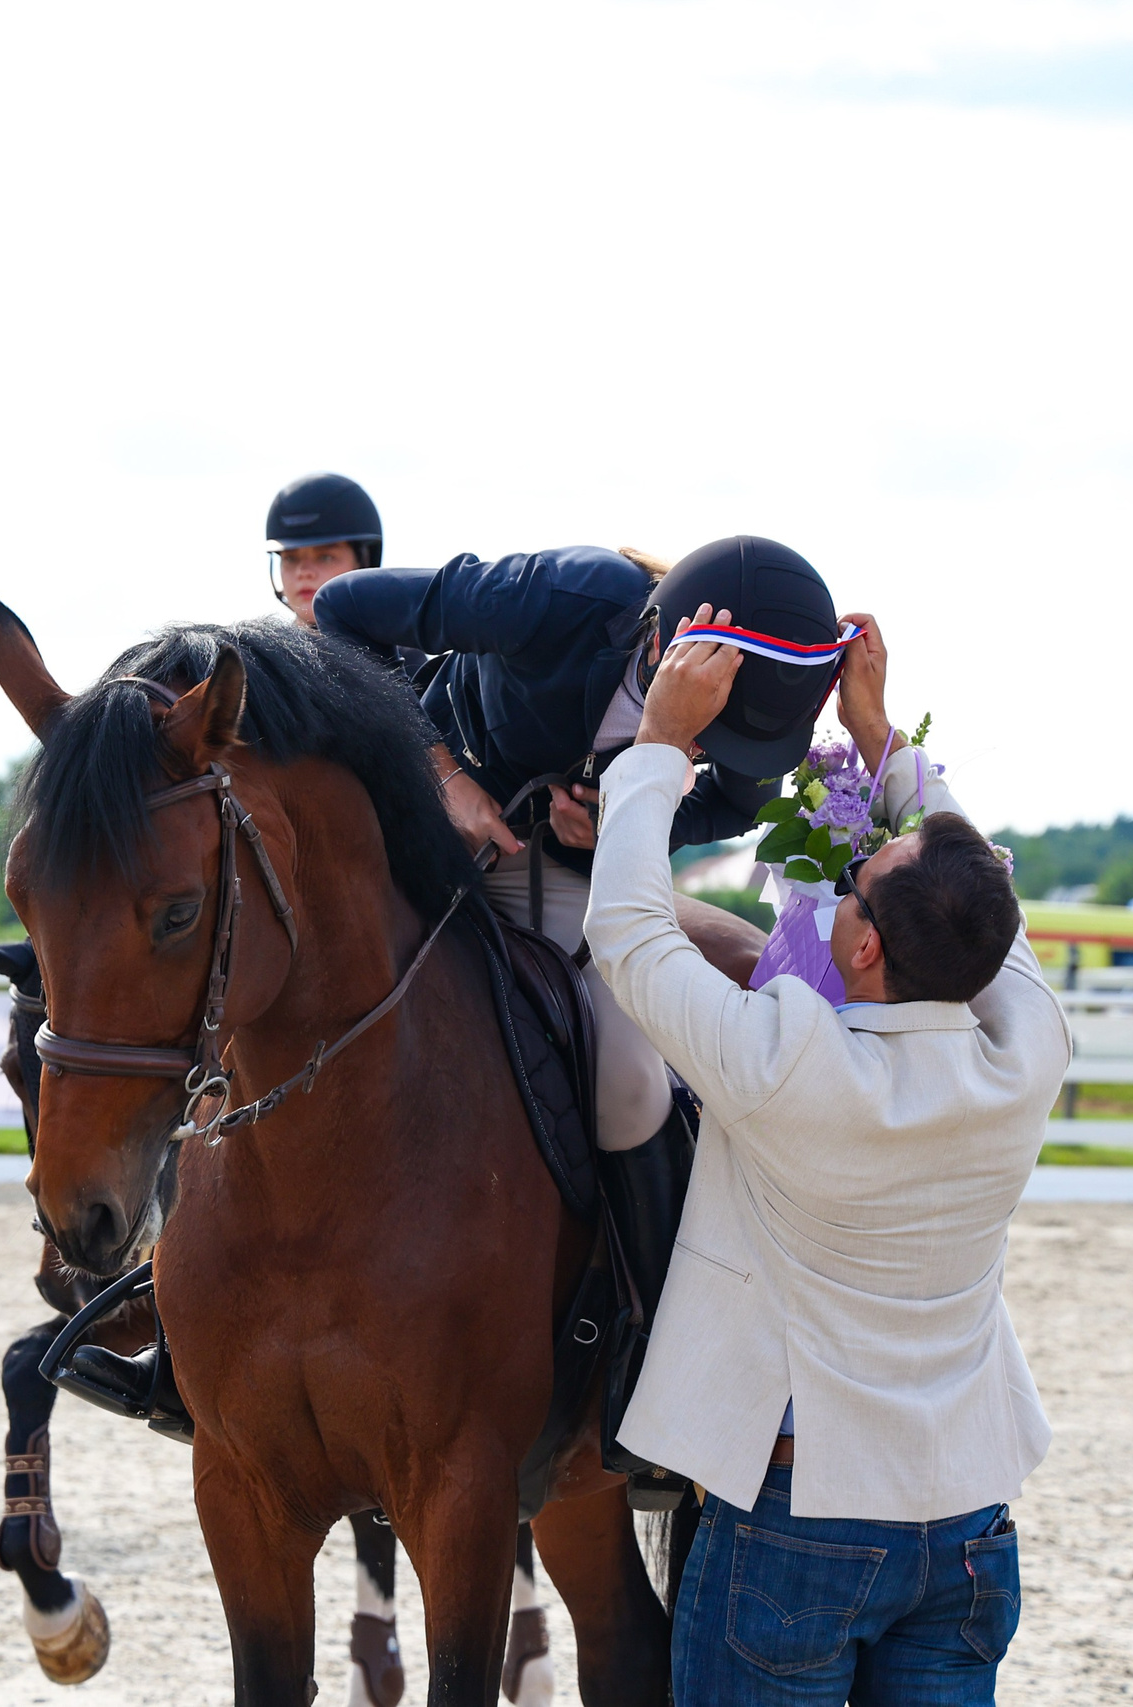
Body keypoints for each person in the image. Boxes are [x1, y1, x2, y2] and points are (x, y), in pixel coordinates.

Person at [582, 597, 1069, 1704]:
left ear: (855, 946)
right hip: (968, 1526)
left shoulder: (789, 1061)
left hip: (802, 1527)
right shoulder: (1026, 1052)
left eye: (854, 887)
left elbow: (625, 932)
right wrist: (881, 737)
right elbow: (980, 913)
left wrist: (658, 742)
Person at [312, 537, 841, 1494]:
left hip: (570, 874)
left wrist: (627, 819)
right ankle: (171, 1314)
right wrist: (443, 773)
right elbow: (346, 611)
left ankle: (646, 1355)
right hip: (419, 829)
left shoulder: (760, 710)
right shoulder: (565, 595)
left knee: (633, 1086)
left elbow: (733, 801)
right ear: (666, 644)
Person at [265, 471, 386, 626]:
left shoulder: (398, 650)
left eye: (325, 557)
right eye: (290, 558)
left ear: (364, 563)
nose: (303, 572)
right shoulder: (249, 650)